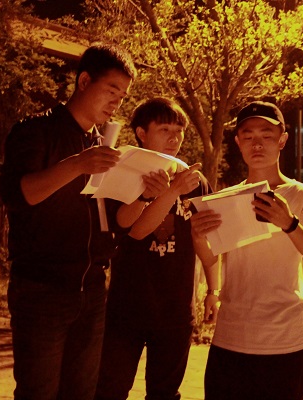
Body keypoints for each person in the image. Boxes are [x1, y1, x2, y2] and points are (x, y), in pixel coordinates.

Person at [0, 42, 137, 400]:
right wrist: (77, 164)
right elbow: (20, 194)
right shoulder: (35, 131)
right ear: (84, 81)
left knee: (81, 392)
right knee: (38, 391)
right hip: (42, 288)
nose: (116, 102)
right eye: (111, 90)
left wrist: (142, 190)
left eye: (122, 97)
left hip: (92, 287)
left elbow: (111, 218)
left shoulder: (103, 143)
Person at [191, 101, 303, 400]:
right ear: (238, 142)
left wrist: (288, 222)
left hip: (285, 339)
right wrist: (198, 237)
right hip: (231, 337)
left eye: (267, 135)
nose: (257, 144)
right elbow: (211, 257)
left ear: (282, 140)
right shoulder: (226, 198)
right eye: (248, 136)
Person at [94, 97, 220, 400]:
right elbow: (133, 231)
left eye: (179, 131)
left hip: (175, 311)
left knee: (165, 393)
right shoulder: (125, 172)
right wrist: (169, 191)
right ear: (142, 133)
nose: (174, 138)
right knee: (110, 390)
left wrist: (214, 290)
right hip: (127, 308)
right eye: (165, 130)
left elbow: (209, 242)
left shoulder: (194, 181)